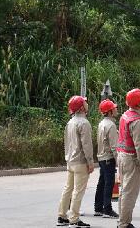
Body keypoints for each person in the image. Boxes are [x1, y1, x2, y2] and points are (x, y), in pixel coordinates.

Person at [57, 95, 94, 227]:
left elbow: (66, 143)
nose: (86, 104)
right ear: (81, 107)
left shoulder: (70, 122)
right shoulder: (84, 123)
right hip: (81, 161)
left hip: (71, 161)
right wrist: (90, 162)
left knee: (68, 188)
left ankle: (61, 216)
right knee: (78, 191)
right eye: (84, 102)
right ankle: (74, 218)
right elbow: (87, 145)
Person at [115, 88, 140, 228]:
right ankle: (124, 223)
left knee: (124, 191)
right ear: (139, 103)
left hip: (122, 156)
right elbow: (139, 145)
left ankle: (122, 220)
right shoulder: (137, 121)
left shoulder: (124, 116)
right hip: (131, 159)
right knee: (130, 192)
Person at [94, 99, 119, 218]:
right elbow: (114, 146)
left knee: (102, 182)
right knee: (109, 183)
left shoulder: (101, 123)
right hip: (108, 157)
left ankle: (98, 208)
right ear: (109, 111)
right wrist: (118, 161)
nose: (116, 109)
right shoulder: (111, 125)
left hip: (101, 157)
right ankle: (107, 209)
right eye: (114, 108)